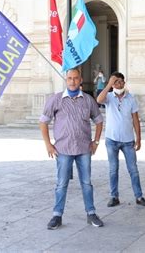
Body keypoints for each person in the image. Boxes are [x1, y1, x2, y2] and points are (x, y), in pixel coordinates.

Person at [39, 67, 104, 230]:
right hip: (63, 149)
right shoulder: (56, 100)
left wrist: (95, 142)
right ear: (66, 80)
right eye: (69, 78)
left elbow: (98, 120)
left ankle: (91, 213)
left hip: (84, 149)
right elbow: (43, 122)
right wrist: (48, 144)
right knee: (61, 184)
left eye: (76, 78)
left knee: (87, 183)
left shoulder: (88, 100)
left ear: (80, 80)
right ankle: (57, 215)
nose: (73, 81)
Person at [97, 71, 145, 208]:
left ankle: (139, 196)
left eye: (120, 81)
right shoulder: (108, 97)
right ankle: (114, 196)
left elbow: (135, 119)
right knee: (113, 169)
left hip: (128, 141)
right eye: (116, 82)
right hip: (112, 140)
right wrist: (109, 83)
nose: (118, 84)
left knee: (133, 169)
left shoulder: (131, 98)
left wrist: (139, 138)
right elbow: (98, 100)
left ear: (124, 82)